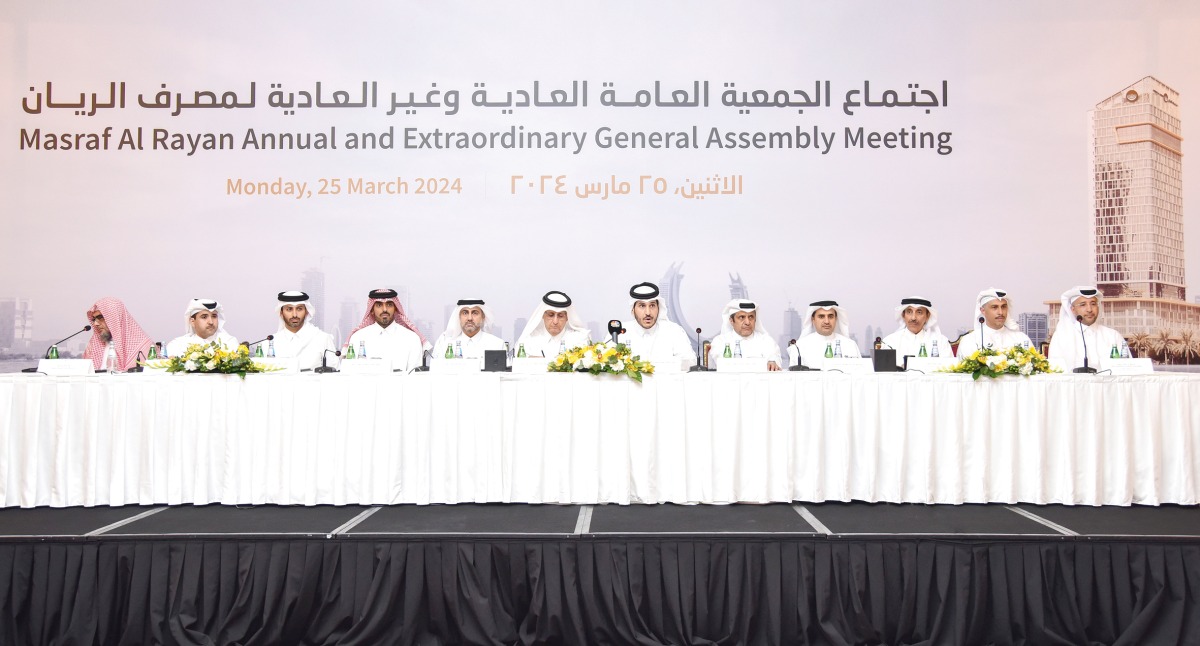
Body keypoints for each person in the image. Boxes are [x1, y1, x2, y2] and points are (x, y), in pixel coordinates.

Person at [1048, 286, 1127, 371]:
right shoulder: (1061, 337)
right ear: (1073, 309)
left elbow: (1128, 369)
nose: (1089, 309)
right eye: (1083, 305)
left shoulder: (1113, 336)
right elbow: (1054, 373)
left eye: (1093, 304)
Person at [345, 288, 427, 370]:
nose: (384, 309)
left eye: (389, 305)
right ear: (372, 310)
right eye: (379, 305)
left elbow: (414, 378)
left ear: (395, 309)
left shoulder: (411, 339)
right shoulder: (358, 337)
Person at [616, 282, 696, 365]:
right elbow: (606, 362)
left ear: (659, 308)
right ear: (633, 310)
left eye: (652, 305)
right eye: (642, 306)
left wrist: (656, 363)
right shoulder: (619, 332)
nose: (648, 312)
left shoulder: (674, 331)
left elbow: (690, 362)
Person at [83, 297, 154, 371]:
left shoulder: (142, 345)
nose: (95, 323)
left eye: (100, 317)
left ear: (115, 317)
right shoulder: (93, 345)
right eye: (94, 319)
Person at [954, 288, 1032, 356]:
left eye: (1003, 307)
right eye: (994, 307)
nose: (1000, 312)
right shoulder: (970, 341)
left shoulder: (1021, 338)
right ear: (983, 311)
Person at [271, 291, 337, 371]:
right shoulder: (270, 343)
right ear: (281, 313)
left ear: (306, 312)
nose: (294, 315)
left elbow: (335, 373)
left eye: (299, 309)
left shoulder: (322, 339)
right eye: (289, 309)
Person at [707, 300, 782, 370]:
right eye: (742, 317)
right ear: (731, 321)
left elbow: (774, 358)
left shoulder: (766, 340)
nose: (747, 322)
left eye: (751, 317)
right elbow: (725, 366)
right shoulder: (720, 341)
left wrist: (773, 362)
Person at [515, 291, 590, 358]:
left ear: (567, 317)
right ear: (543, 315)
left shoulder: (579, 339)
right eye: (551, 315)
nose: (555, 321)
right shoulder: (529, 339)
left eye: (560, 316)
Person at [881, 297, 952, 366]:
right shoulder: (890, 342)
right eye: (909, 312)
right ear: (903, 315)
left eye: (919, 312)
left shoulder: (941, 342)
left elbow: (948, 371)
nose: (913, 318)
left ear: (928, 316)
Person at [794, 300, 861, 367]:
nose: (826, 321)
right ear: (813, 319)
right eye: (821, 317)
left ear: (836, 319)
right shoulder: (800, 346)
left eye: (830, 316)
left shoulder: (850, 345)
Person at [432, 299, 506, 359]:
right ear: (459, 317)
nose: (470, 318)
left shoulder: (497, 345)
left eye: (475, 313)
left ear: (483, 317)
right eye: (465, 313)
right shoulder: (445, 344)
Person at [165, 299, 238, 357]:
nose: (211, 322)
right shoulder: (177, 344)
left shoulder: (229, 342)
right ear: (192, 321)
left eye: (214, 316)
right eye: (204, 317)